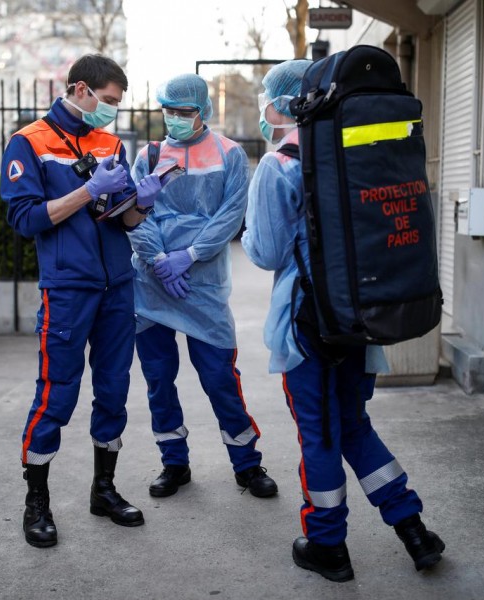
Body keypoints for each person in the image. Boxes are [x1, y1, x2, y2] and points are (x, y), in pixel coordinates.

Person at [242, 60, 446, 581]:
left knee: (319, 435)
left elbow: (265, 253)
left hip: (307, 326)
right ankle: (414, 531)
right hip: (359, 318)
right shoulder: (355, 151)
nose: (265, 111)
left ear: (285, 104)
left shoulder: (279, 164)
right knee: (353, 425)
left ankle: (328, 544)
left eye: (268, 100)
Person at [0, 54, 163, 548]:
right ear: (79, 89)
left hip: (117, 286)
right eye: (108, 101)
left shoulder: (110, 142)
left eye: (117, 103)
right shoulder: (29, 143)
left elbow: (123, 220)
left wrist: (142, 203)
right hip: (68, 289)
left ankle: (104, 489)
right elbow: (25, 219)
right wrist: (88, 188)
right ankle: (37, 502)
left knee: (113, 391)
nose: (112, 111)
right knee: (56, 395)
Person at [127, 73, 278, 499]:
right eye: (168, 111)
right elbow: (137, 214)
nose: (174, 118)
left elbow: (231, 214)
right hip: (152, 285)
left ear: (203, 111)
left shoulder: (229, 154)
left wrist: (187, 257)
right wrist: (158, 260)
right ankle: (173, 463)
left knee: (219, 378)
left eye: (184, 111)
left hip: (204, 283)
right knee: (158, 379)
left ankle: (247, 464)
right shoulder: (149, 155)